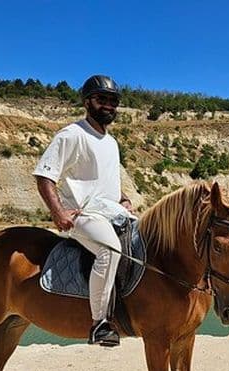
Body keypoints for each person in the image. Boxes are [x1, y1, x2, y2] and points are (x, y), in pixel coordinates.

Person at [34, 74, 133, 346]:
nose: (109, 106)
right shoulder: (72, 134)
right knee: (110, 250)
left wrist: (122, 198)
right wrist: (58, 213)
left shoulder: (111, 142)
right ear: (87, 101)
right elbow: (45, 175)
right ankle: (99, 323)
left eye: (113, 101)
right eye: (103, 99)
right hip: (83, 214)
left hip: (112, 211)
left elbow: (104, 180)